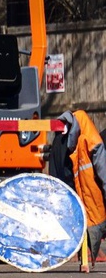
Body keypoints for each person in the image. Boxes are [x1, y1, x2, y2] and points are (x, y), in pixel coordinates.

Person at [56, 110, 106, 265]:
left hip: (82, 192)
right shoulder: (87, 137)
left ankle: (85, 253)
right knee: (93, 221)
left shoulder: (65, 139)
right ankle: (86, 253)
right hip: (90, 194)